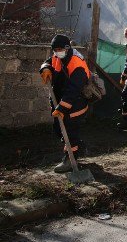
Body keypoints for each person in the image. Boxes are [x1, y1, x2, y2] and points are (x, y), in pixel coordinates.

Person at [39, 34, 91, 172]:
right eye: (55, 49)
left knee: (69, 132)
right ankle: (79, 147)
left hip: (74, 105)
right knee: (58, 129)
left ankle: (70, 159)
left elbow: (74, 90)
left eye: (60, 49)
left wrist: (62, 107)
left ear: (67, 48)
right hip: (61, 102)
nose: (57, 52)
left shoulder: (77, 63)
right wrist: (45, 67)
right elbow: (49, 61)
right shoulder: (58, 56)